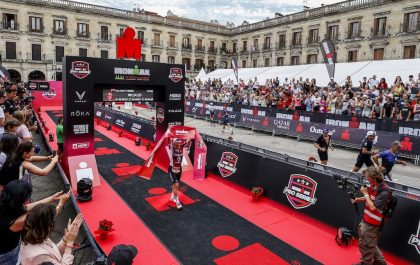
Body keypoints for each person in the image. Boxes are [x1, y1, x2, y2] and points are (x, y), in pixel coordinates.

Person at [0, 180, 68, 264]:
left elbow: (28, 207)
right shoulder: (18, 222)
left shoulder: (6, 204)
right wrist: (60, 204)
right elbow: (43, 218)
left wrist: (52, 198)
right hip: (7, 253)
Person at [351, 167, 389, 265]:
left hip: (373, 225)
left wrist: (365, 193)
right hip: (366, 220)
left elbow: (373, 207)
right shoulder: (374, 185)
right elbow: (371, 198)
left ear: (373, 177)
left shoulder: (384, 192)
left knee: (366, 245)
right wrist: (359, 199)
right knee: (370, 244)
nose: (366, 178)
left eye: (367, 176)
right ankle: (381, 263)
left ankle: (366, 263)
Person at [168, 138, 190, 210]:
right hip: (172, 169)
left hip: (179, 169)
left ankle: (172, 197)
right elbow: (169, 140)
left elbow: (188, 141)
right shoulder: (171, 149)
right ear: (174, 144)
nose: (178, 145)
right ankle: (177, 202)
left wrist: (191, 135)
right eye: (177, 144)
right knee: (176, 184)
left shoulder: (182, 147)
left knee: (176, 185)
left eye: (179, 144)